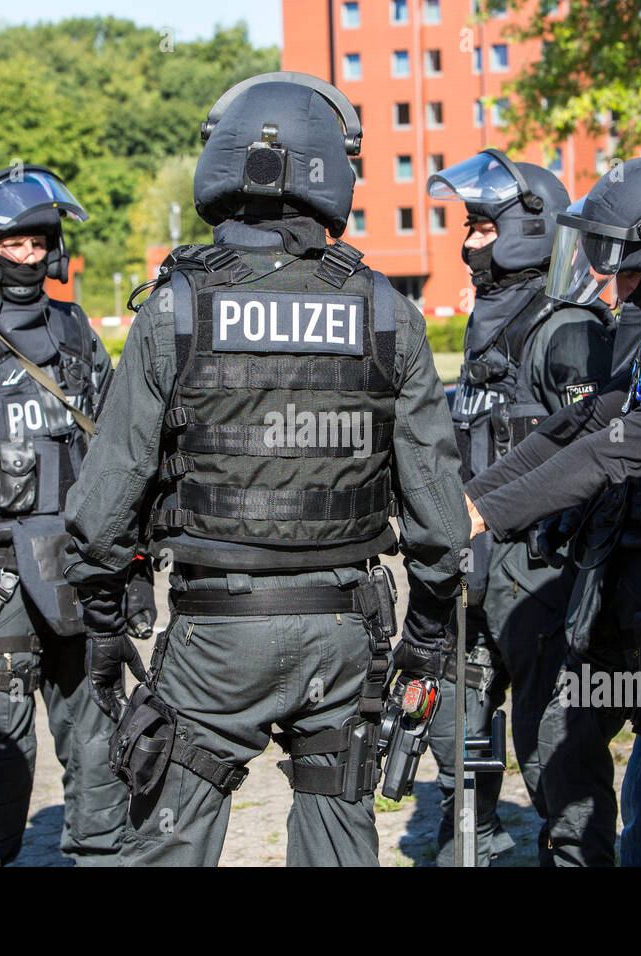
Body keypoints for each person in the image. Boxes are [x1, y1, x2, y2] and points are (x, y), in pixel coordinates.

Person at [62, 71, 469, 867]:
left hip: (217, 632)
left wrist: (105, 630)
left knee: (166, 842)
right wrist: (423, 641)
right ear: (332, 174)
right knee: (339, 836)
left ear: (221, 168)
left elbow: (104, 506)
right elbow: (441, 525)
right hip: (348, 630)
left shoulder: (173, 308)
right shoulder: (387, 311)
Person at [463, 157, 641, 865]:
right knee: (587, 765)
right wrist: (469, 499)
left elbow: (609, 453)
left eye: (629, 272)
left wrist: (488, 518)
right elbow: (588, 422)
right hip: (634, 598)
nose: (616, 290)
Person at [0, 166, 152, 866]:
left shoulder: (77, 331)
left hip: (82, 566)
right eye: (12, 243)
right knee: (1, 741)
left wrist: (134, 561)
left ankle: (102, 853)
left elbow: (119, 446)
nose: (27, 257)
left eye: (38, 243)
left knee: (97, 722)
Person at [422, 150, 614, 865]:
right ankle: (468, 851)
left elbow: (605, 454)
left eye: (479, 225)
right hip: (468, 569)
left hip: (540, 577)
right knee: (459, 743)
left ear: (525, 227)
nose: (466, 240)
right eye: (466, 226)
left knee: (553, 748)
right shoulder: (484, 324)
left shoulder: (566, 327)